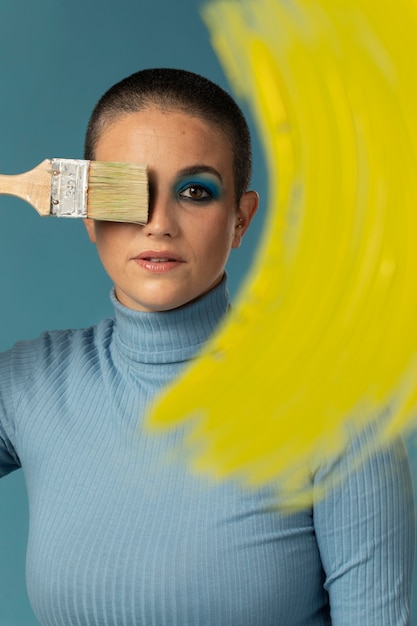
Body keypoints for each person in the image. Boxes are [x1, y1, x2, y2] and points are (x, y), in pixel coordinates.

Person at [0, 68, 414, 625]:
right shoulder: (27, 384)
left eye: (195, 191)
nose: (158, 223)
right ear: (89, 211)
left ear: (240, 219)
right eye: (129, 190)